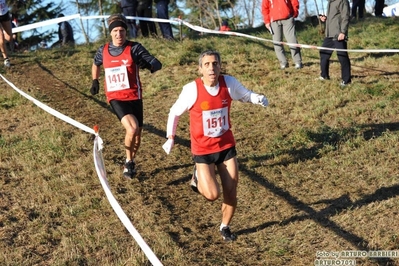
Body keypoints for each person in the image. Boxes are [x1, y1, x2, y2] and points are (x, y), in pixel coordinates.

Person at [162, 50, 268, 241]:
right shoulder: (191, 89)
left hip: (226, 146)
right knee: (212, 194)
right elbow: (174, 112)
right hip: (203, 150)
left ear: (220, 66)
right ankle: (196, 177)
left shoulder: (229, 83)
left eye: (215, 64)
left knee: (231, 190)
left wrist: (257, 98)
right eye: (207, 64)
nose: (212, 68)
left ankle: (225, 226)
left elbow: (245, 95)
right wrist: (171, 137)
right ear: (200, 69)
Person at [90, 14, 162, 179]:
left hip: (134, 96)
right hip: (116, 97)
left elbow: (155, 63)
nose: (118, 34)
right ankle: (128, 162)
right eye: (115, 30)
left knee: (137, 136)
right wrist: (95, 80)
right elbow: (95, 63)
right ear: (110, 32)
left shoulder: (135, 48)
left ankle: (130, 160)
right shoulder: (103, 50)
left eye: (121, 30)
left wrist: (150, 65)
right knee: (132, 128)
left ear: (126, 31)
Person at [261, 0, 302, 69]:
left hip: (288, 19)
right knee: (277, 42)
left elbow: (294, 1)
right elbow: (265, 8)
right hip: (274, 21)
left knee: (292, 40)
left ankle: (298, 62)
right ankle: (283, 63)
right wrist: (267, 21)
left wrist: (294, 12)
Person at [319, 0, 351, 86]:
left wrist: (343, 32)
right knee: (323, 53)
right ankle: (324, 75)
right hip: (329, 34)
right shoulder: (330, 2)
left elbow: (345, 17)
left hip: (338, 34)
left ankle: (346, 80)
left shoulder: (343, 1)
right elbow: (334, 17)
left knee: (342, 56)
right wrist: (325, 19)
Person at [0, 2, 14, 67]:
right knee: (1, 38)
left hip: (4, 13)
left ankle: (1, 45)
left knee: (9, 38)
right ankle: (6, 58)